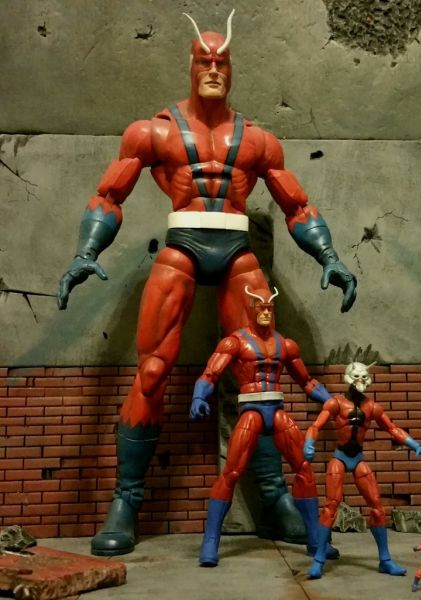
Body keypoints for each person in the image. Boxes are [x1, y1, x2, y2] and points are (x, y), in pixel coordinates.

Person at [56, 10, 357, 557]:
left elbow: (297, 205)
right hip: (182, 246)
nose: (214, 68)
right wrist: (86, 251)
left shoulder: (258, 140)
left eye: (222, 61)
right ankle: (126, 502)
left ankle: (275, 502)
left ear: (232, 69)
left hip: (237, 251)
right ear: (191, 65)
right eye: (205, 60)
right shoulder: (154, 132)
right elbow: (109, 195)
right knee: (152, 372)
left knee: (261, 374)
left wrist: (329, 256)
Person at [190, 286, 335, 566]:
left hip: (276, 410)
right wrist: (198, 396)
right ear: (251, 309)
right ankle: (210, 541)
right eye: (261, 307)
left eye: (270, 306)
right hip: (251, 411)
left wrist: (330, 400)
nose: (266, 311)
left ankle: (315, 540)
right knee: (231, 472)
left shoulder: (285, 345)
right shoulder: (235, 342)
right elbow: (210, 374)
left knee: (304, 469)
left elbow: (307, 382)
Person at [304, 361, 421, 578]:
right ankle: (318, 560)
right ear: (348, 378)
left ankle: (385, 560)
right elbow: (316, 426)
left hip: (358, 459)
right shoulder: (335, 403)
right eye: (357, 377)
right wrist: (309, 442)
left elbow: (392, 428)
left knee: (377, 508)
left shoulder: (372, 407)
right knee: (330, 507)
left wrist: (415, 445)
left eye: (364, 377)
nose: (360, 381)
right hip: (340, 458)